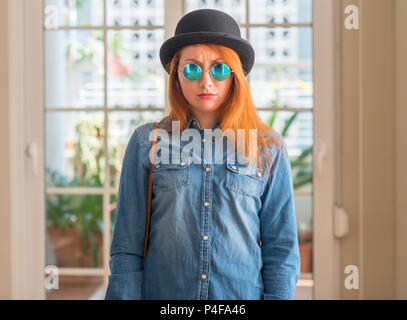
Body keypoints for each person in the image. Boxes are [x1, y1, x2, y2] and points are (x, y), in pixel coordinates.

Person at [105, 8, 300, 300]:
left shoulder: (267, 147)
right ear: (176, 75)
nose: (206, 81)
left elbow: (281, 249)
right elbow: (127, 247)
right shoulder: (147, 142)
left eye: (219, 69)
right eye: (192, 68)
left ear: (235, 76)